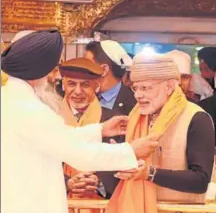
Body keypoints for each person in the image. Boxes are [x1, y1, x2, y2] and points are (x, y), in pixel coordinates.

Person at [1, 30, 159, 213]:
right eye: (54, 68)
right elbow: (77, 152)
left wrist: (99, 130)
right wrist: (130, 150)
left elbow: (55, 138)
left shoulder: (10, 99)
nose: (57, 77)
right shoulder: (29, 109)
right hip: (27, 203)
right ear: (39, 69)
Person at [105, 53, 216, 213]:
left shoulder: (196, 118)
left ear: (170, 86)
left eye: (145, 88)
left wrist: (150, 173)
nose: (138, 95)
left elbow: (200, 180)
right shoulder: (135, 117)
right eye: (135, 87)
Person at [84, 40, 137, 198]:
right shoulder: (77, 97)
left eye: (87, 64)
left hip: (116, 194)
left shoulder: (134, 104)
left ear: (103, 69)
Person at [58, 57, 104, 199]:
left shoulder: (112, 120)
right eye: (71, 84)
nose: (78, 91)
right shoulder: (51, 117)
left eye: (85, 85)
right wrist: (67, 182)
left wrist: (99, 181)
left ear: (97, 86)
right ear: (63, 85)